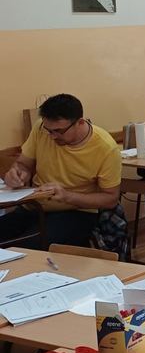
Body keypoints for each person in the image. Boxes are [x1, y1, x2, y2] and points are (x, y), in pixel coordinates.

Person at [2, 94, 121, 248]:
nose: (52, 136)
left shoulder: (105, 148)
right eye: (48, 130)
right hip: (33, 207)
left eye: (59, 131)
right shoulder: (40, 128)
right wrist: (16, 173)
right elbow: (23, 164)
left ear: (80, 122)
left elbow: (110, 199)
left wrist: (67, 196)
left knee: (25, 248)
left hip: (76, 212)